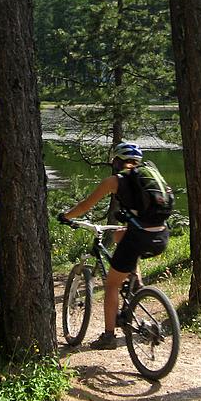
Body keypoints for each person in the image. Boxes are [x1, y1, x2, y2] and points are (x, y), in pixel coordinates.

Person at [58, 142, 170, 350]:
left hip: (139, 237)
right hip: (161, 235)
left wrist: (66, 216)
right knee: (120, 235)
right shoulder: (149, 176)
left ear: (116, 161)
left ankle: (109, 336)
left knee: (111, 284)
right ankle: (136, 281)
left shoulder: (114, 181)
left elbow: (85, 205)